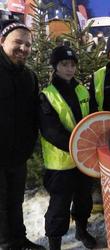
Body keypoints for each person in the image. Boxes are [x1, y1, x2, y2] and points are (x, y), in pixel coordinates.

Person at [38, 46, 97, 250]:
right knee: (58, 208)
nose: (69, 69)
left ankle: (82, 230)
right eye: (64, 64)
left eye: (72, 65)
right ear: (55, 67)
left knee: (84, 200)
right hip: (61, 164)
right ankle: (55, 243)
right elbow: (51, 131)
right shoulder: (47, 95)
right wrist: (78, 146)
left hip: (83, 161)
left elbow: (92, 119)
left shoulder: (82, 90)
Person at [0, 20, 45, 250]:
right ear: (2, 41)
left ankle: (19, 239)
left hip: (18, 155)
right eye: (18, 42)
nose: (23, 48)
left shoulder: (29, 76)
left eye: (28, 45)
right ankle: (7, 244)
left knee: (16, 201)